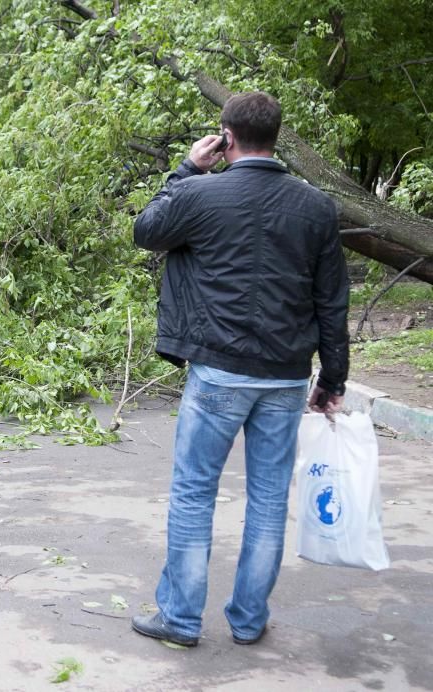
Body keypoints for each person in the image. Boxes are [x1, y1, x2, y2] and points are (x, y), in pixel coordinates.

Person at [130, 91, 349, 647]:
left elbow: (146, 231)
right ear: (276, 137)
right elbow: (332, 300)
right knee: (270, 499)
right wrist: (333, 380)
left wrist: (185, 168)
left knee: (194, 492)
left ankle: (180, 620)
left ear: (226, 137)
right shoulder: (316, 207)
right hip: (285, 375)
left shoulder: (201, 193)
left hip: (219, 373)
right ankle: (249, 621)